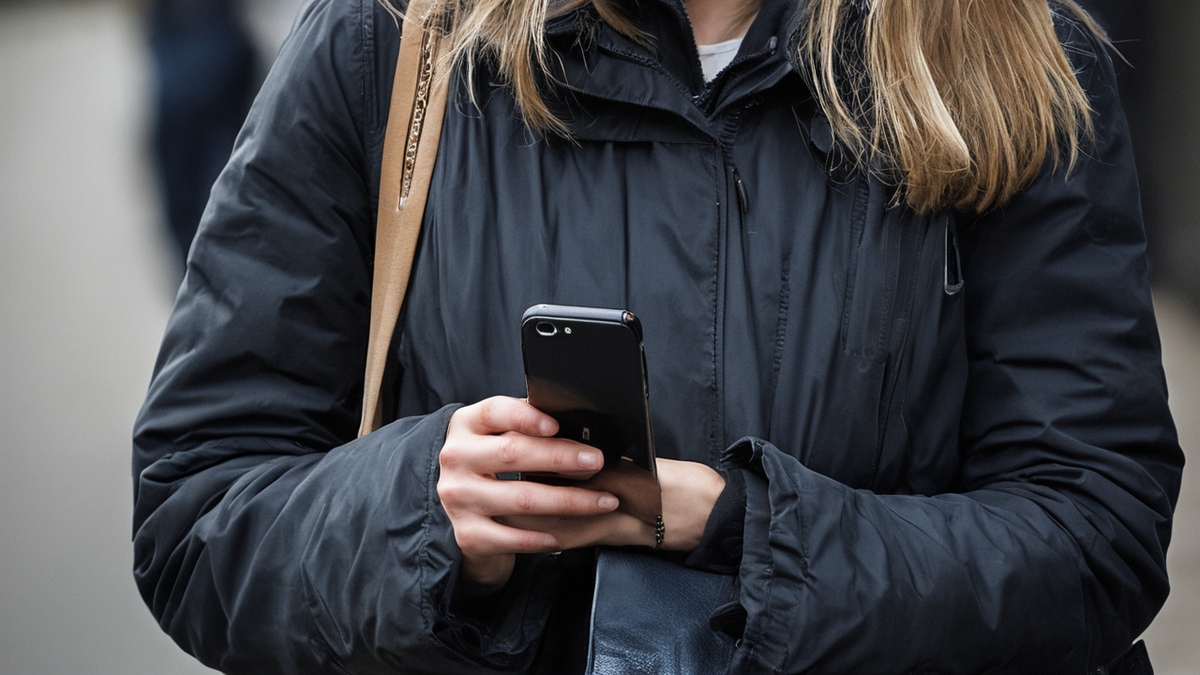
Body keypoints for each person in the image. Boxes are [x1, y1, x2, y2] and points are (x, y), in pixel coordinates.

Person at [131, 0, 1184, 672]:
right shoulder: (394, 44)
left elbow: (1097, 533)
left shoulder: (1004, 52)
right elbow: (198, 514)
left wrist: (742, 528)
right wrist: (423, 512)